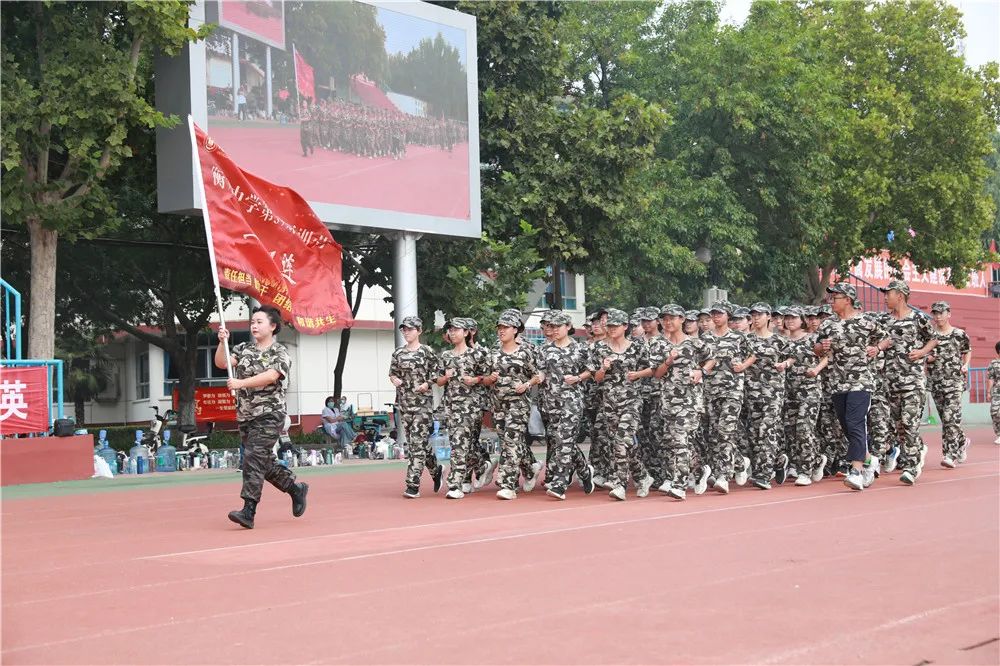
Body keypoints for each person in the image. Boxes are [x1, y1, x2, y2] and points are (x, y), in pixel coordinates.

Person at [216, 306, 308, 529]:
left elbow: (271, 375)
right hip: (246, 415)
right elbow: (222, 363)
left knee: (253, 458)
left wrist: (241, 383)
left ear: (273, 326)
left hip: (269, 413)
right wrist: (222, 343)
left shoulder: (280, 352)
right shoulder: (243, 348)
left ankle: (249, 510)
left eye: (259, 322)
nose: (254, 326)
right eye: (252, 322)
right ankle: (295, 488)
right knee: (262, 461)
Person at [814, 283, 889, 491]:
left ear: (847, 299)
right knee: (847, 427)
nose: (831, 301)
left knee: (855, 422)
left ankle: (855, 471)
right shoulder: (828, 324)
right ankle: (868, 459)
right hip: (837, 382)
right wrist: (822, 347)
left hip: (861, 381)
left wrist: (877, 348)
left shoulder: (866, 321)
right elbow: (816, 347)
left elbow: (886, 338)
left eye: (835, 298)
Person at [589, 308, 655, 500]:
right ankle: (642, 476)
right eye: (609, 325)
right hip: (609, 402)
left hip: (632, 401)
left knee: (620, 440)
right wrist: (603, 368)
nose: (611, 329)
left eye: (615, 326)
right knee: (626, 444)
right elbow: (597, 378)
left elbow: (651, 369)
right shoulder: (600, 349)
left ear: (625, 326)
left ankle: (620, 483)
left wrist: (638, 375)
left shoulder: (637, 347)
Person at [482, 310, 544, 500]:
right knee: (510, 442)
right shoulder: (493, 351)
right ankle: (530, 466)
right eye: (499, 327)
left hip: (519, 403)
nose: (501, 331)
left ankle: (508, 484)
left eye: (505, 327)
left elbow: (539, 375)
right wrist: (489, 379)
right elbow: (484, 379)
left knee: (510, 441)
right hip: (498, 404)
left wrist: (526, 384)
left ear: (516, 329)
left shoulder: (526, 350)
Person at [881, 280, 937, 484]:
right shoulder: (884, 321)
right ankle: (918, 450)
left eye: (889, 293)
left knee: (909, 422)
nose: (885, 297)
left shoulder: (918, 318)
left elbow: (933, 338)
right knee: (900, 428)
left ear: (901, 296)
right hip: (891, 382)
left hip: (913, 382)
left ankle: (912, 467)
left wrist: (922, 352)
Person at [652, 305, 711, 500]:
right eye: (665, 318)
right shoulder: (658, 344)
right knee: (673, 443)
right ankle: (700, 469)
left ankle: (679, 484)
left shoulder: (694, 343)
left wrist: (701, 371)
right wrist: (668, 361)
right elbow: (657, 374)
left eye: (672, 318)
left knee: (679, 440)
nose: (668, 322)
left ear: (682, 319)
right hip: (668, 400)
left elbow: (712, 359)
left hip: (690, 401)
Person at [538, 310, 596, 500]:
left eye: (558, 326)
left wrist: (578, 378)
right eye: (551, 326)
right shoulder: (545, 349)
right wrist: (534, 380)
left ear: (568, 327)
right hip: (550, 402)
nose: (554, 330)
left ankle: (559, 484)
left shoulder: (580, 349)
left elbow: (591, 371)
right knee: (560, 442)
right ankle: (585, 470)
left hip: (572, 401)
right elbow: (541, 373)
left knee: (564, 440)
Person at [702, 301, 755, 494]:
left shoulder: (738, 337)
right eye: (713, 314)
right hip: (711, 390)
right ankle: (740, 462)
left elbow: (753, 354)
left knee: (726, 430)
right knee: (716, 433)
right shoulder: (705, 338)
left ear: (728, 315)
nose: (715, 317)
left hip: (733, 389)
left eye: (719, 314)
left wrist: (743, 366)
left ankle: (723, 475)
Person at [389, 316, 444, 499]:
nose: (406, 332)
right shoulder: (398, 353)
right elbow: (392, 373)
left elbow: (437, 373)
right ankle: (436, 470)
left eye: (410, 329)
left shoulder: (427, 351)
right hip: (405, 403)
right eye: (404, 329)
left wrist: (428, 384)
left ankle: (412, 485)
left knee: (416, 445)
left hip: (422, 405)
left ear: (419, 331)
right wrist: (395, 380)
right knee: (416, 443)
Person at [436, 318, 486, 499]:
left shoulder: (476, 355)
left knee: (458, 445)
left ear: (466, 333)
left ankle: (455, 484)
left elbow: (488, 377)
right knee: (466, 446)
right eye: (450, 329)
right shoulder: (446, 356)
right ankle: (482, 464)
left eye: (457, 329)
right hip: (451, 407)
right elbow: (439, 381)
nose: (452, 332)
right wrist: (446, 377)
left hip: (470, 407)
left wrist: (475, 380)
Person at [744, 302, 792, 489]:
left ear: (769, 317)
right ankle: (778, 460)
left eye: (760, 315)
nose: (756, 318)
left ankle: (763, 474)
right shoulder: (746, 340)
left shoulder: (779, 340)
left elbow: (791, 356)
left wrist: (785, 364)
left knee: (767, 429)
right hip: (752, 391)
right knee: (754, 432)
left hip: (773, 391)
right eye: (753, 315)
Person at [782, 307, 828, 486]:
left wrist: (816, 370)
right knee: (792, 431)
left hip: (809, 389)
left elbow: (827, 357)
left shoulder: (813, 338)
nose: (790, 320)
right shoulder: (782, 340)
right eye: (787, 318)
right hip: (789, 390)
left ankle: (805, 469)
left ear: (802, 320)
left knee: (804, 428)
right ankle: (816, 459)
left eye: (794, 317)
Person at [925, 301, 972, 467]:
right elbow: (924, 354)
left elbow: (967, 350)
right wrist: (928, 359)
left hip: (954, 383)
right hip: (936, 383)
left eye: (941, 313)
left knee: (950, 418)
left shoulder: (959, 334)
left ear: (948, 314)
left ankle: (949, 455)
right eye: (935, 313)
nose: (938, 316)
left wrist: (965, 364)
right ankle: (961, 441)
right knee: (946, 420)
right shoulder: (930, 335)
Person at [987, 342, 1000, 445]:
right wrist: (988, 392)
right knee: (994, 412)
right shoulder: (993, 363)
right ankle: (999, 434)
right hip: (997, 391)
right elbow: (991, 378)